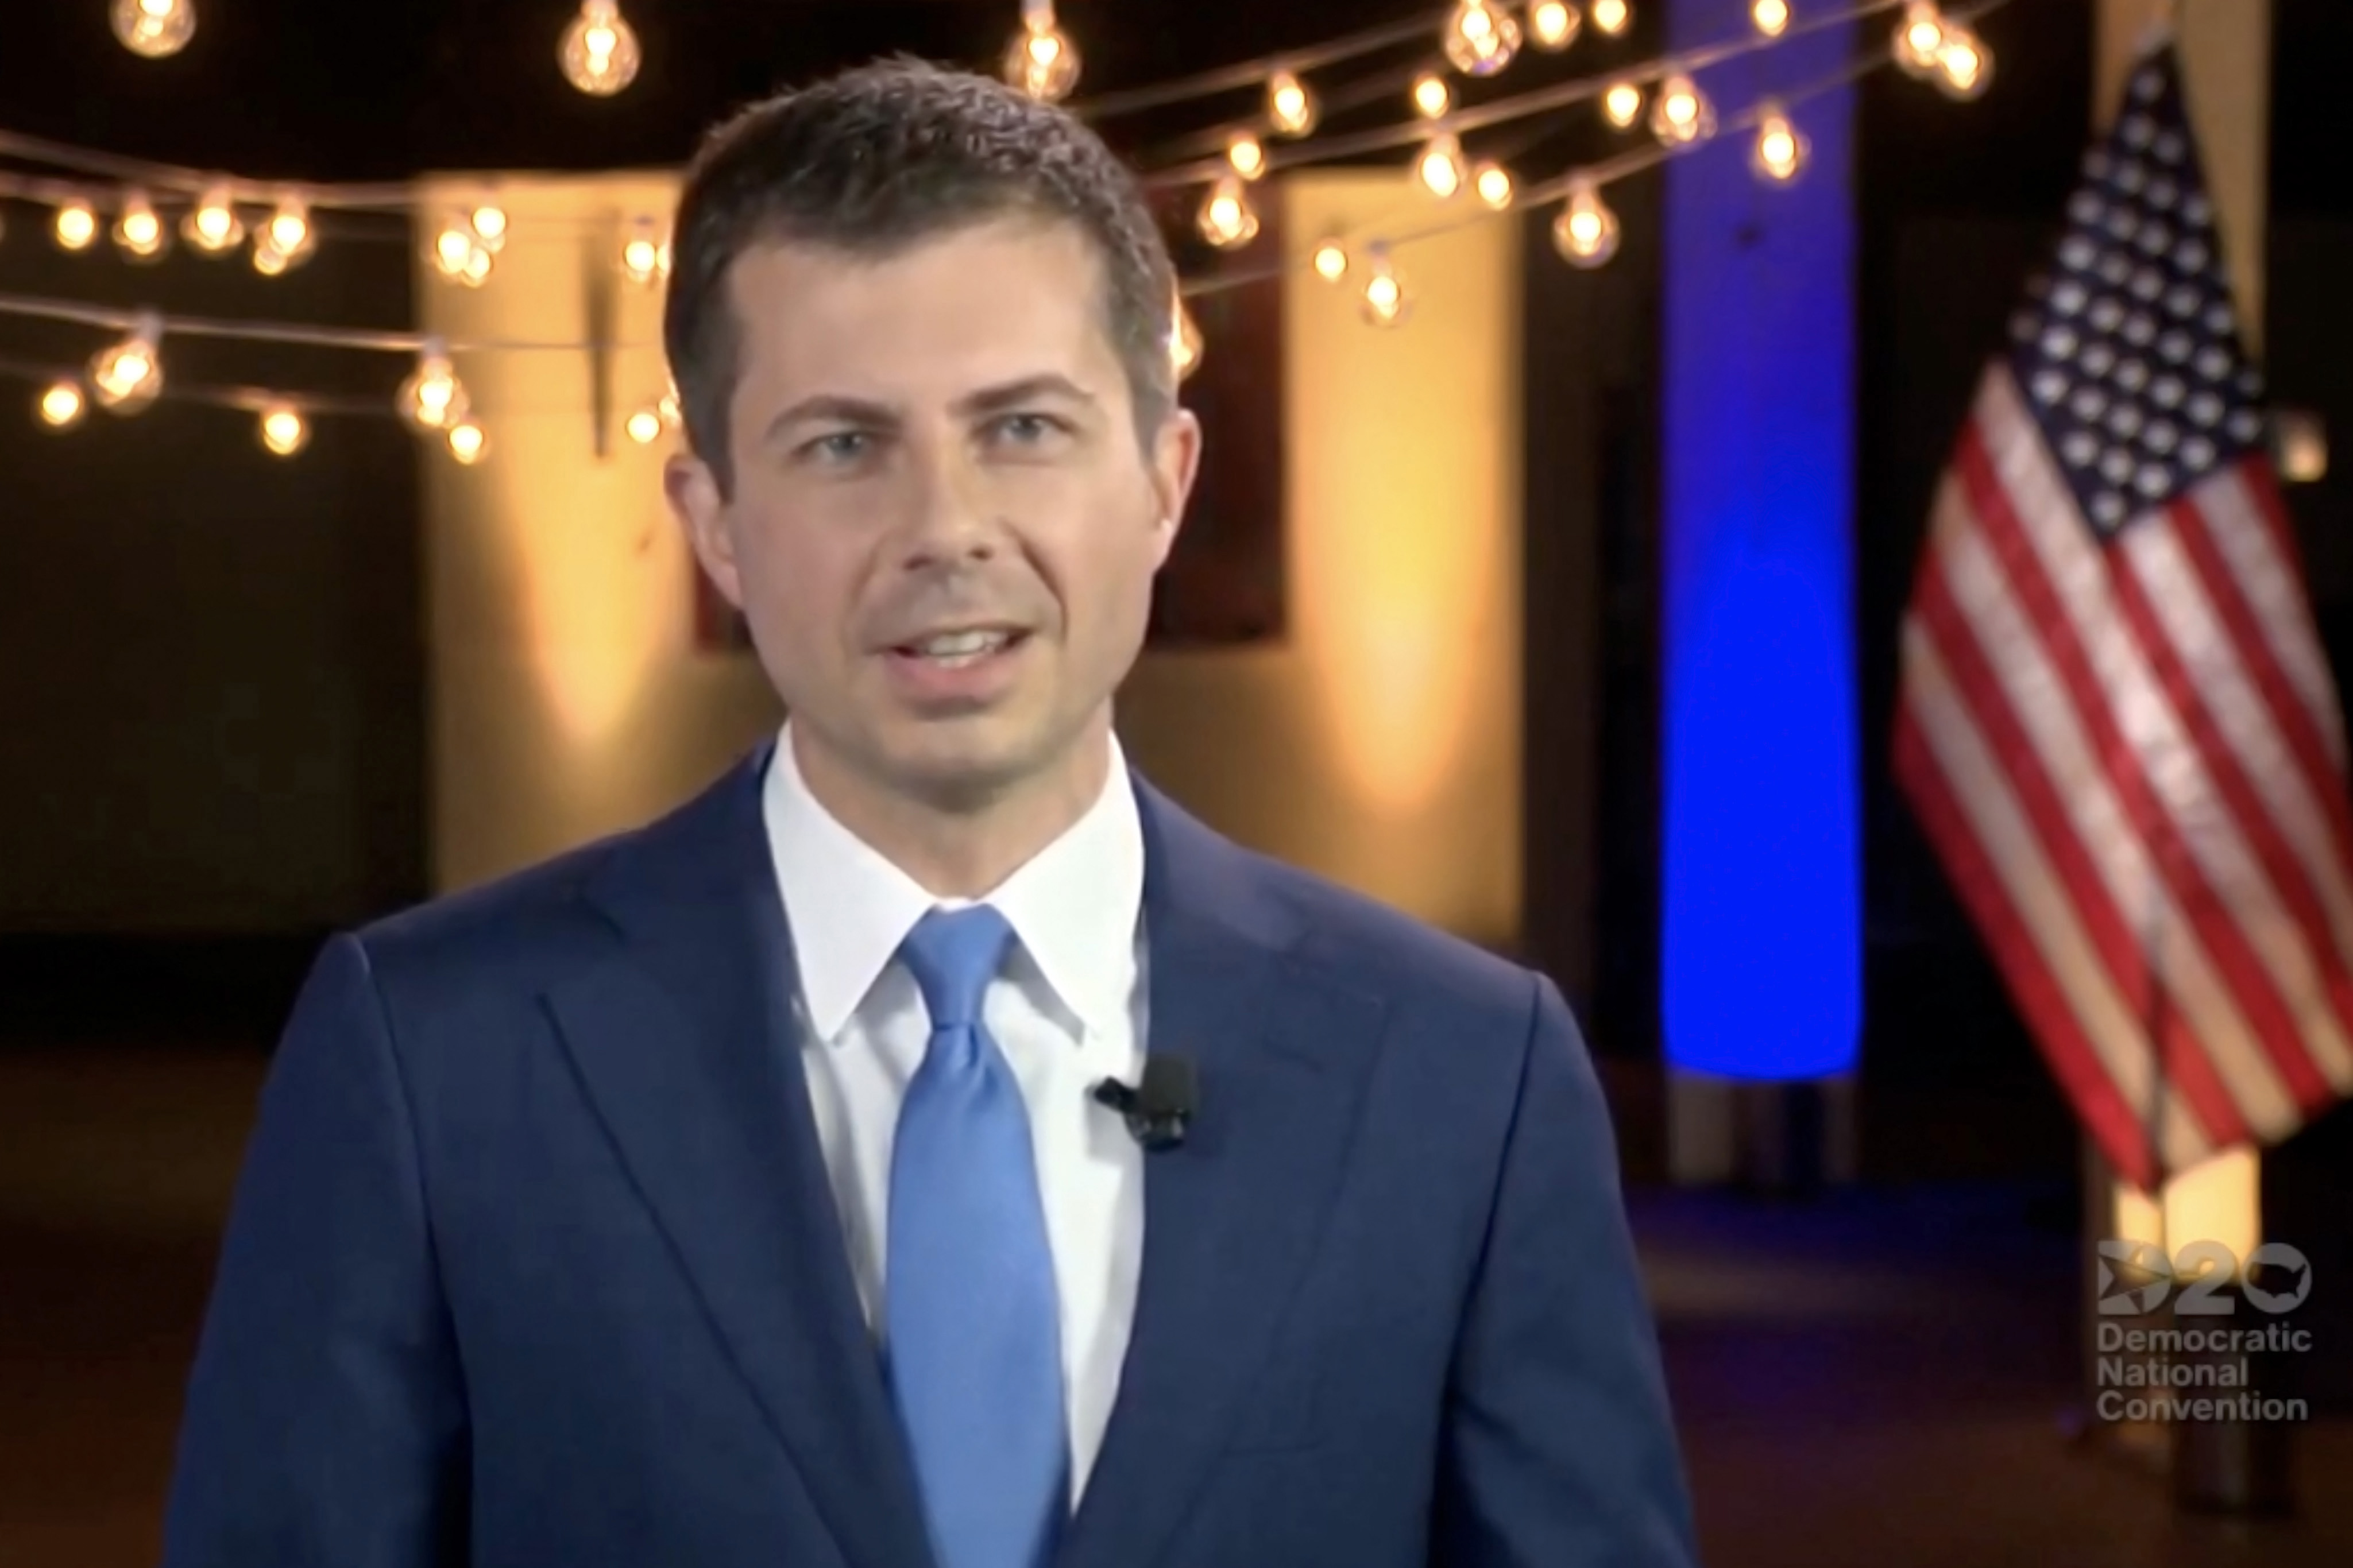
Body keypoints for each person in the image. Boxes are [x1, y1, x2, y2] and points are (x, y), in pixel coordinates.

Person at [160, 57, 1698, 1568]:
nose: (944, 529)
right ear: (714, 523)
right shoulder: (433, 1055)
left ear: (1163, 482)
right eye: (843, 445)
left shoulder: (1460, 1073)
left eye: (1022, 427)